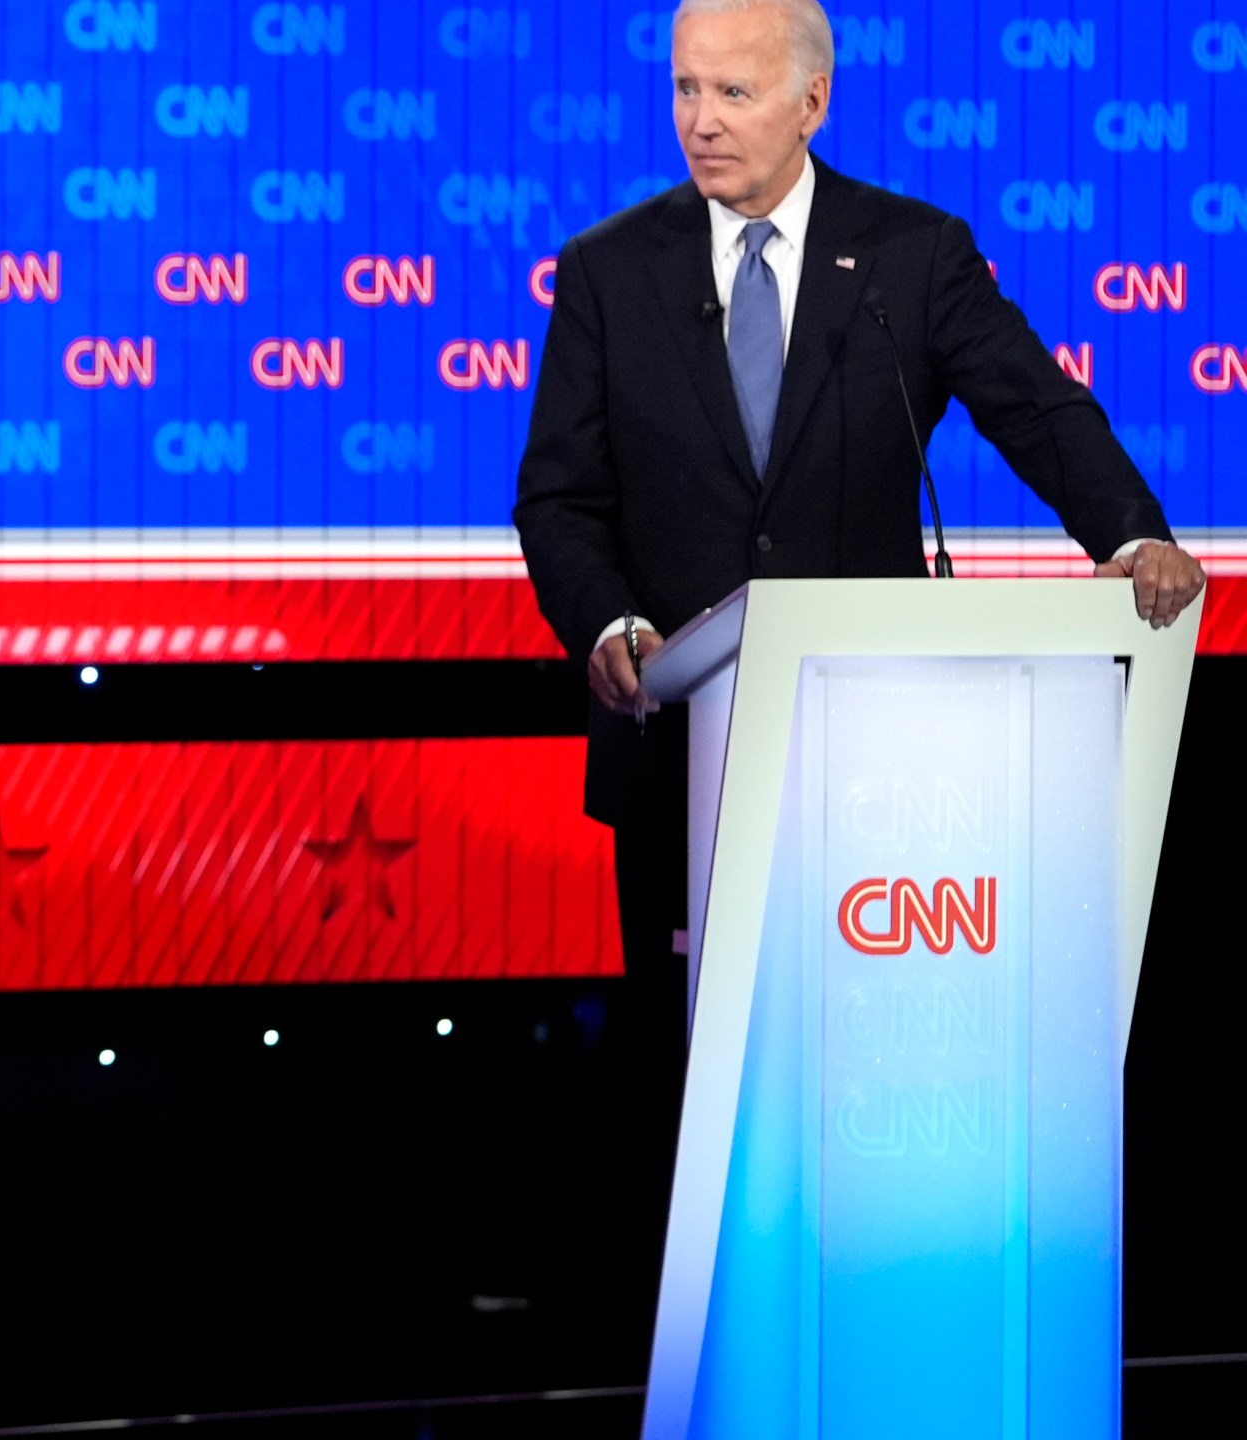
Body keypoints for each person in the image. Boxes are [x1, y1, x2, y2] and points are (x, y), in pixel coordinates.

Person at [512, 0, 1205, 1277]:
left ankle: (873, 1286)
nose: (698, 122)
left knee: (857, 1070)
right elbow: (557, 496)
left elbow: (1035, 410)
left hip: (876, 767)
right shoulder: (607, 269)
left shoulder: (909, 256)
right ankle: (700, 1324)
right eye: (683, 92)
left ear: (810, 103)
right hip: (683, 756)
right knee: (691, 1078)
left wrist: (1126, 540)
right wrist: (609, 622)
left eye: (730, 94)